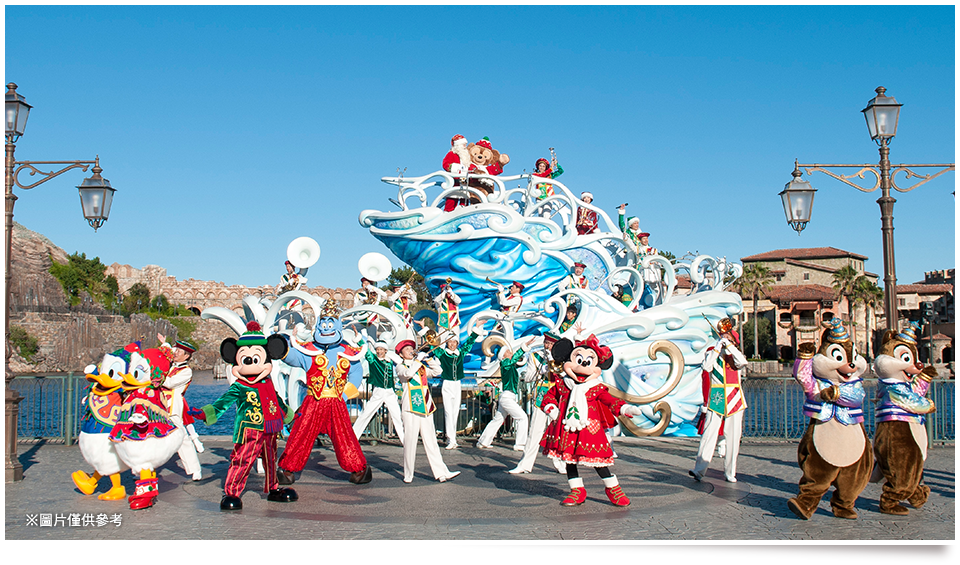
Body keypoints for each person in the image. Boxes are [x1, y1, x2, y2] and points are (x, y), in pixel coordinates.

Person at [540, 334, 644, 507]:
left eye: (589, 362)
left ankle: (614, 489)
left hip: (590, 431)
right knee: (569, 461)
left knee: (598, 463)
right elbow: (549, 398)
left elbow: (610, 400)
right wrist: (552, 410)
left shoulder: (596, 388)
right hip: (567, 429)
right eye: (578, 360)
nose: (582, 367)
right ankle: (577, 491)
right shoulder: (563, 384)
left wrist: (625, 409)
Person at [389, 340, 460, 483]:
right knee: (410, 442)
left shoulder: (420, 366)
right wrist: (417, 361)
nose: (410, 350)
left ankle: (441, 473)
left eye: (411, 348)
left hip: (426, 406)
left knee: (431, 441)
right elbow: (408, 374)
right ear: (401, 353)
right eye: (407, 349)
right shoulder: (400, 366)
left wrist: (428, 359)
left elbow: (438, 371)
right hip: (411, 408)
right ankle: (408, 474)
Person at [689, 318, 748, 483]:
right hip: (717, 398)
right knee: (709, 434)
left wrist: (729, 346)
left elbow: (743, 362)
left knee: (733, 437)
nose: (725, 340)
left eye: (729, 338)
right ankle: (699, 470)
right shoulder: (712, 353)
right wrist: (717, 348)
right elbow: (707, 367)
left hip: (735, 397)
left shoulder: (736, 355)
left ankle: (730, 472)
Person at [509, 333, 568, 474]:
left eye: (551, 344)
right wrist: (540, 371)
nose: (548, 346)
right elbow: (528, 378)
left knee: (558, 431)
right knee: (535, 431)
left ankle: (561, 463)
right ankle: (525, 464)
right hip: (542, 397)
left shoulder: (562, 358)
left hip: (558, 397)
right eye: (546, 343)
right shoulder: (535, 357)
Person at [158, 334, 203, 481]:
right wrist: (165, 344)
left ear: (186, 356)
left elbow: (170, 383)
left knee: (182, 437)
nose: (175, 353)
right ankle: (142, 470)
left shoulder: (186, 371)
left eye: (178, 352)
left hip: (172, 407)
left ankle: (194, 469)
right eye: (175, 351)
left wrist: (157, 374)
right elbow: (164, 357)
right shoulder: (171, 365)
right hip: (157, 405)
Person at [477, 337, 534, 450]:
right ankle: (520, 444)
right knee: (522, 417)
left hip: (508, 396)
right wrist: (523, 347)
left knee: (498, 419)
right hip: (507, 397)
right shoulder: (505, 363)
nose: (510, 353)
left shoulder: (509, 365)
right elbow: (515, 358)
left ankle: (483, 441)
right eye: (508, 352)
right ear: (503, 356)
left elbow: (517, 361)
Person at [432, 326, 483, 449]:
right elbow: (433, 345)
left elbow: (469, 342)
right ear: (447, 343)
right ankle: (450, 439)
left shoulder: (461, 353)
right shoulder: (443, 354)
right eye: (450, 342)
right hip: (447, 384)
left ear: (457, 343)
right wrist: (424, 330)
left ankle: (453, 438)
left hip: (457, 384)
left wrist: (476, 328)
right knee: (448, 412)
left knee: (455, 412)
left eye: (454, 342)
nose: (452, 344)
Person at [352, 340, 404, 446]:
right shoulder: (373, 360)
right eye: (377, 349)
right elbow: (367, 352)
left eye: (381, 349)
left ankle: (404, 440)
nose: (379, 351)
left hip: (389, 391)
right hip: (379, 391)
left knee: (397, 415)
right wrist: (359, 340)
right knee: (366, 414)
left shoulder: (389, 361)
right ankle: (353, 437)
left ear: (385, 350)